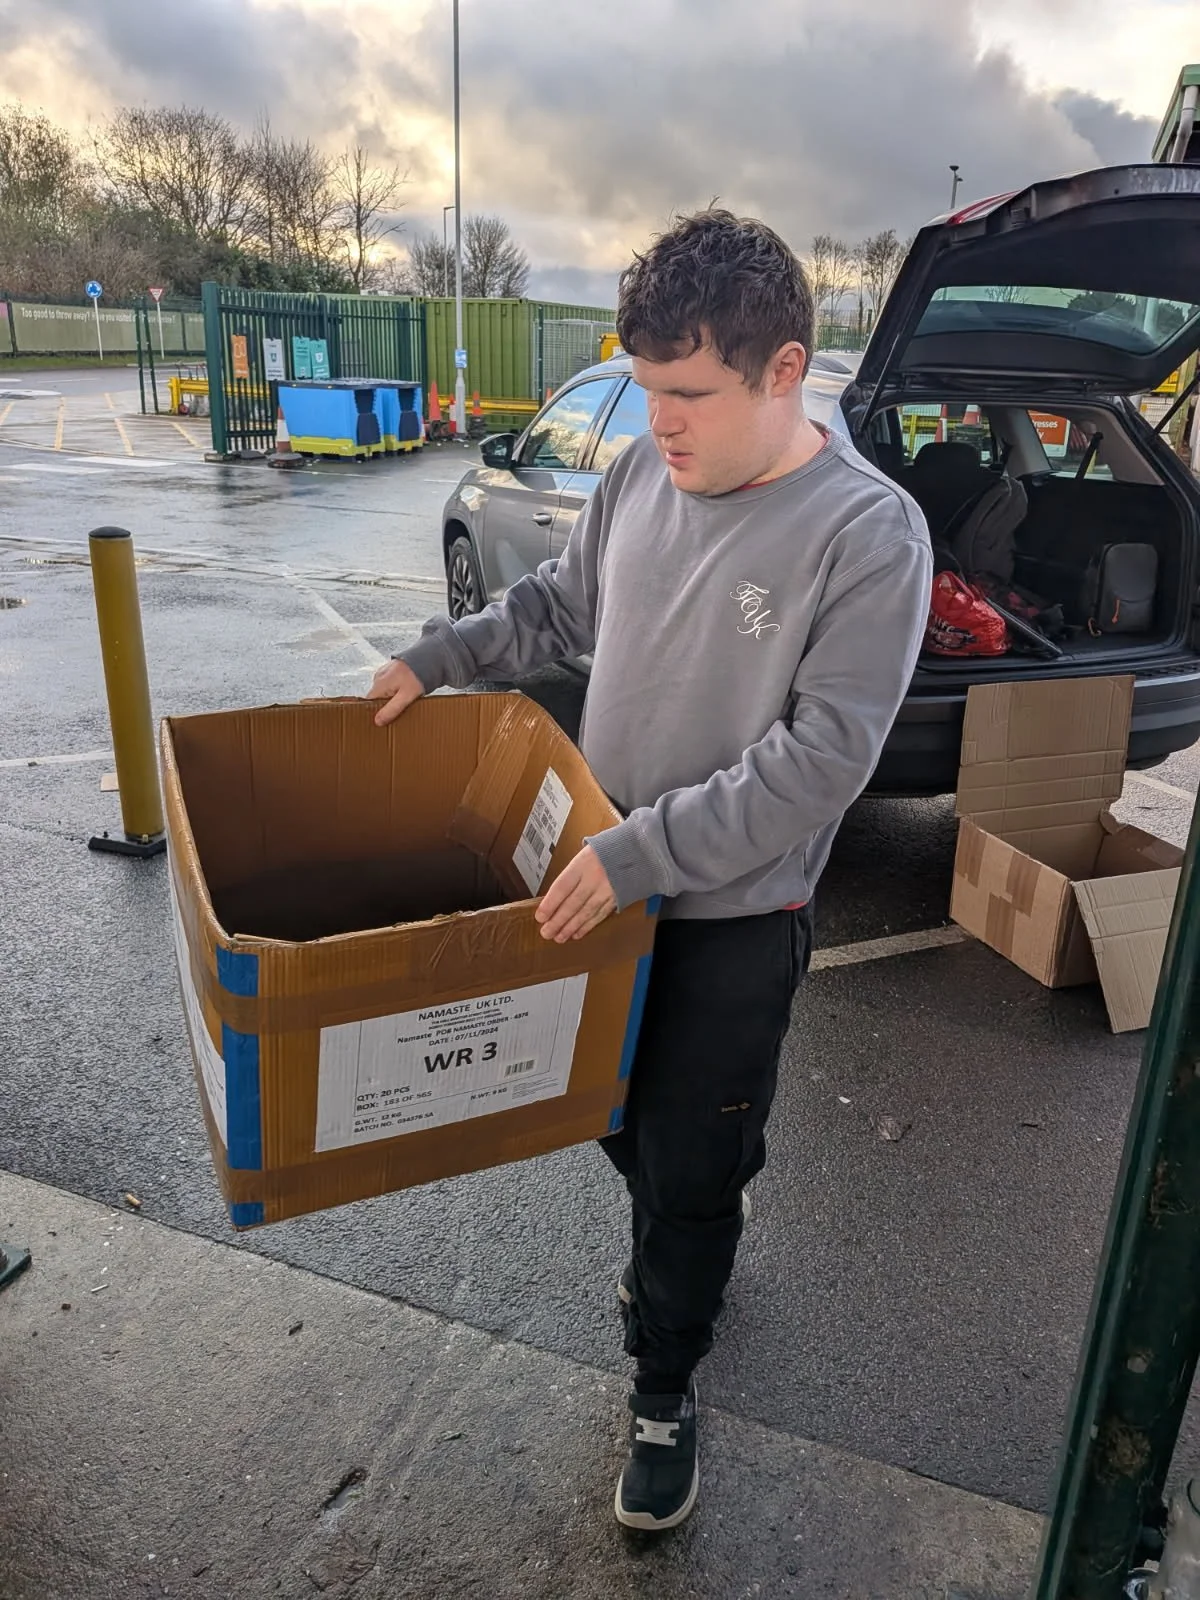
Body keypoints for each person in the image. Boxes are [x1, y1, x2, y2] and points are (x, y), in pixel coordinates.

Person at [368, 209, 931, 1532]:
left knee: (683, 1174)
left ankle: (666, 1386)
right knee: (612, 1117)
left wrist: (638, 854)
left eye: (689, 394)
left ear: (784, 372)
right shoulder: (635, 477)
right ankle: (706, 1192)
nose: (658, 421)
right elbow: (559, 608)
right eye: (647, 389)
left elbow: (819, 764)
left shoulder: (868, 536)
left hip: (730, 917)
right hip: (601, 885)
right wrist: (435, 657)